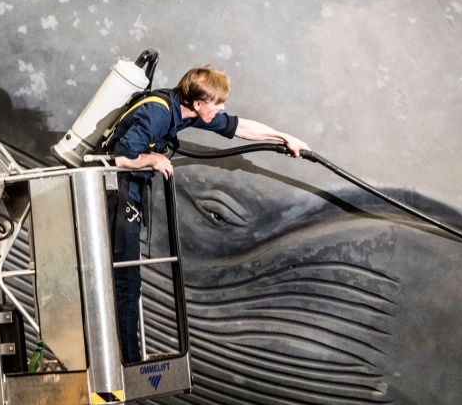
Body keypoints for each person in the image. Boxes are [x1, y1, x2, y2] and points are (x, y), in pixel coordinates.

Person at [107, 66, 310, 363]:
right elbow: (122, 156)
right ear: (199, 104)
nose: (222, 107)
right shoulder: (158, 112)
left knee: (129, 281)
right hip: (114, 193)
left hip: (129, 192)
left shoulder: (183, 110)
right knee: (126, 281)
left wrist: (283, 137)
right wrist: (153, 157)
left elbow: (237, 126)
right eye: (217, 103)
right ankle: (128, 363)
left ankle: (129, 359)